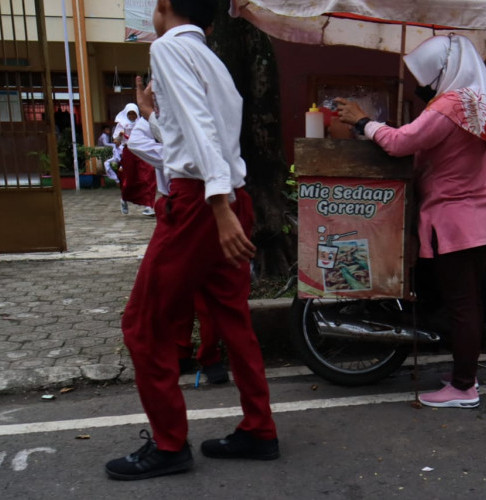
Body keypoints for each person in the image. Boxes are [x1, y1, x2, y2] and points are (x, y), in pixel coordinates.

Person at [105, 0, 278, 481]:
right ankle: (259, 429)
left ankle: (168, 444)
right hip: (224, 197)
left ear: (163, 6)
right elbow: (206, 132)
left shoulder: (167, 48)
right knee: (232, 318)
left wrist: (217, 205)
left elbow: (202, 133)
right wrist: (155, 118)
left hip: (203, 202)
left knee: (143, 324)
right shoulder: (211, 58)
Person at [336, 34, 486, 409]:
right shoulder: (482, 99)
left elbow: (401, 142)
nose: (424, 85)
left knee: (462, 303)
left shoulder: (452, 105)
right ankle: (463, 374)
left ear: (442, 72)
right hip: (478, 216)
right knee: (465, 301)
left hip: (454, 220)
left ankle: (463, 387)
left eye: (427, 78)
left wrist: (363, 122)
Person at [127, 95, 229, 384]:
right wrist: (152, 118)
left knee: (207, 285)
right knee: (176, 285)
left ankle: (210, 356)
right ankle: (180, 351)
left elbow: (201, 152)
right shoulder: (156, 117)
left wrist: (151, 117)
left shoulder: (197, 108)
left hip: (207, 200)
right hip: (175, 204)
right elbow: (138, 145)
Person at [113, 103, 156, 217]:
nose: (132, 116)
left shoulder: (141, 124)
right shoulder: (121, 125)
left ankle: (149, 205)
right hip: (129, 153)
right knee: (130, 179)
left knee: (148, 176)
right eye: (130, 114)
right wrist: (120, 137)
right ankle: (124, 198)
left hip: (142, 152)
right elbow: (116, 142)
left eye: (133, 113)